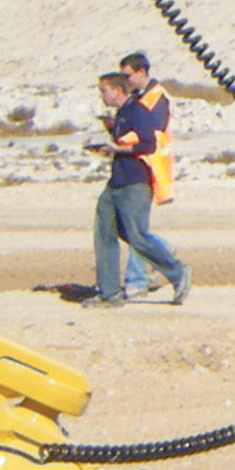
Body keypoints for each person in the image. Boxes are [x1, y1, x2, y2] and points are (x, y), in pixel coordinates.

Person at [88, 57, 188, 306]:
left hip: (136, 182)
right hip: (116, 181)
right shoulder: (123, 113)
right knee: (105, 233)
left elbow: (148, 143)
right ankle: (109, 293)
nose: (102, 95)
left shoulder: (139, 109)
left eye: (104, 90)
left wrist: (117, 148)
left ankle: (175, 271)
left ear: (116, 90)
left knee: (136, 235)